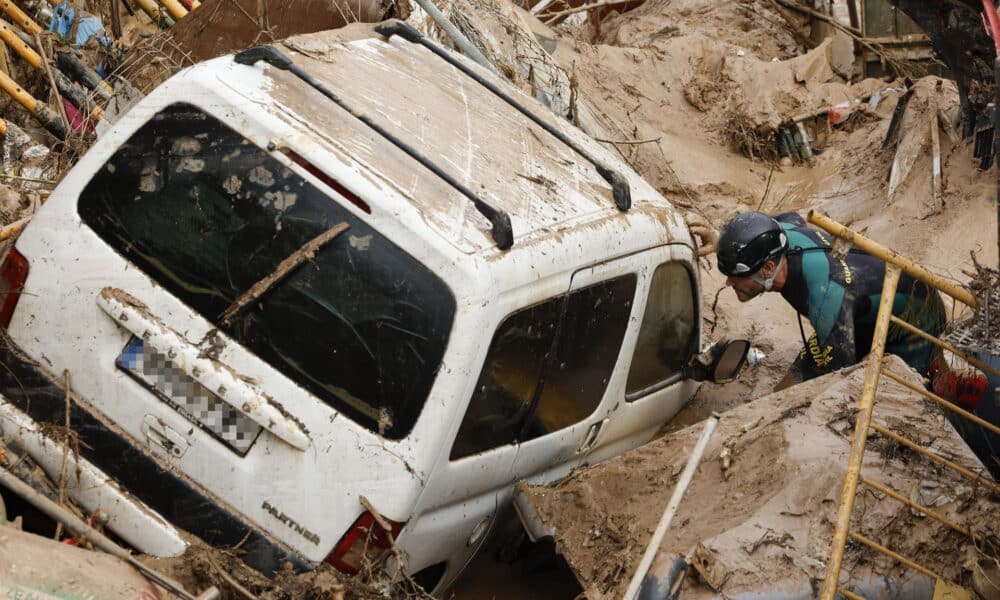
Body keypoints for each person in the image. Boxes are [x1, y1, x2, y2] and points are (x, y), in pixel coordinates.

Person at [715, 211, 987, 406]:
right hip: (862, 304)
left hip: (914, 321)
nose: (728, 282)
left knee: (917, 398)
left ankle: (950, 383)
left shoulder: (824, 295)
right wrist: (725, 248)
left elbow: (837, 378)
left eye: (735, 276)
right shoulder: (781, 233)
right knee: (791, 384)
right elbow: (780, 219)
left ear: (767, 269)